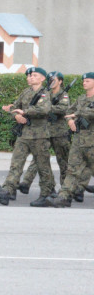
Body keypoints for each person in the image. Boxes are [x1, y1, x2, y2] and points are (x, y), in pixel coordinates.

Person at [0, 67, 54, 206]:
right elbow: (14, 107)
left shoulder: (46, 94)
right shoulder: (26, 92)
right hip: (24, 134)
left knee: (43, 166)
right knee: (16, 164)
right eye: (29, 75)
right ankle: (7, 191)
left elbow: (44, 109)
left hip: (39, 136)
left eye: (34, 75)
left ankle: (46, 194)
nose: (30, 77)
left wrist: (25, 112)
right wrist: (17, 115)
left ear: (42, 78)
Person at [19, 71, 71, 198]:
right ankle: (27, 183)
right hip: (44, 131)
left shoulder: (63, 95)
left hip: (59, 133)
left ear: (60, 81)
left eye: (54, 79)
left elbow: (63, 109)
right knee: (38, 159)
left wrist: (46, 107)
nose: (51, 82)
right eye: (50, 79)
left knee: (63, 162)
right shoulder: (43, 93)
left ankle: (66, 190)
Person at [52, 72, 94, 207]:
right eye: (84, 81)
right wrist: (70, 120)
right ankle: (64, 197)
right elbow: (68, 111)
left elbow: (83, 113)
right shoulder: (81, 99)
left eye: (87, 81)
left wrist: (77, 113)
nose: (84, 83)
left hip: (92, 141)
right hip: (78, 140)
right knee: (72, 169)